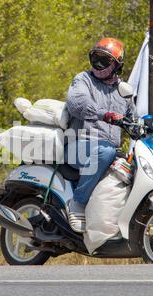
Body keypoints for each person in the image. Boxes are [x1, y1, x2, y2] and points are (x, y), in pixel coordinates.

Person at [64, 37, 132, 233]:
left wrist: (148, 123)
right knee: (104, 152)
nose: (98, 64)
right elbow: (77, 102)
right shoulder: (83, 80)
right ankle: (78, 203)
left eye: (104, 60)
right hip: (78, 145)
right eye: (95, 58)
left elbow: (133, 115)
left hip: (109, 150)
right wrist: (103, 114)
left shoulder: (122, 90)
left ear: (118, 65)